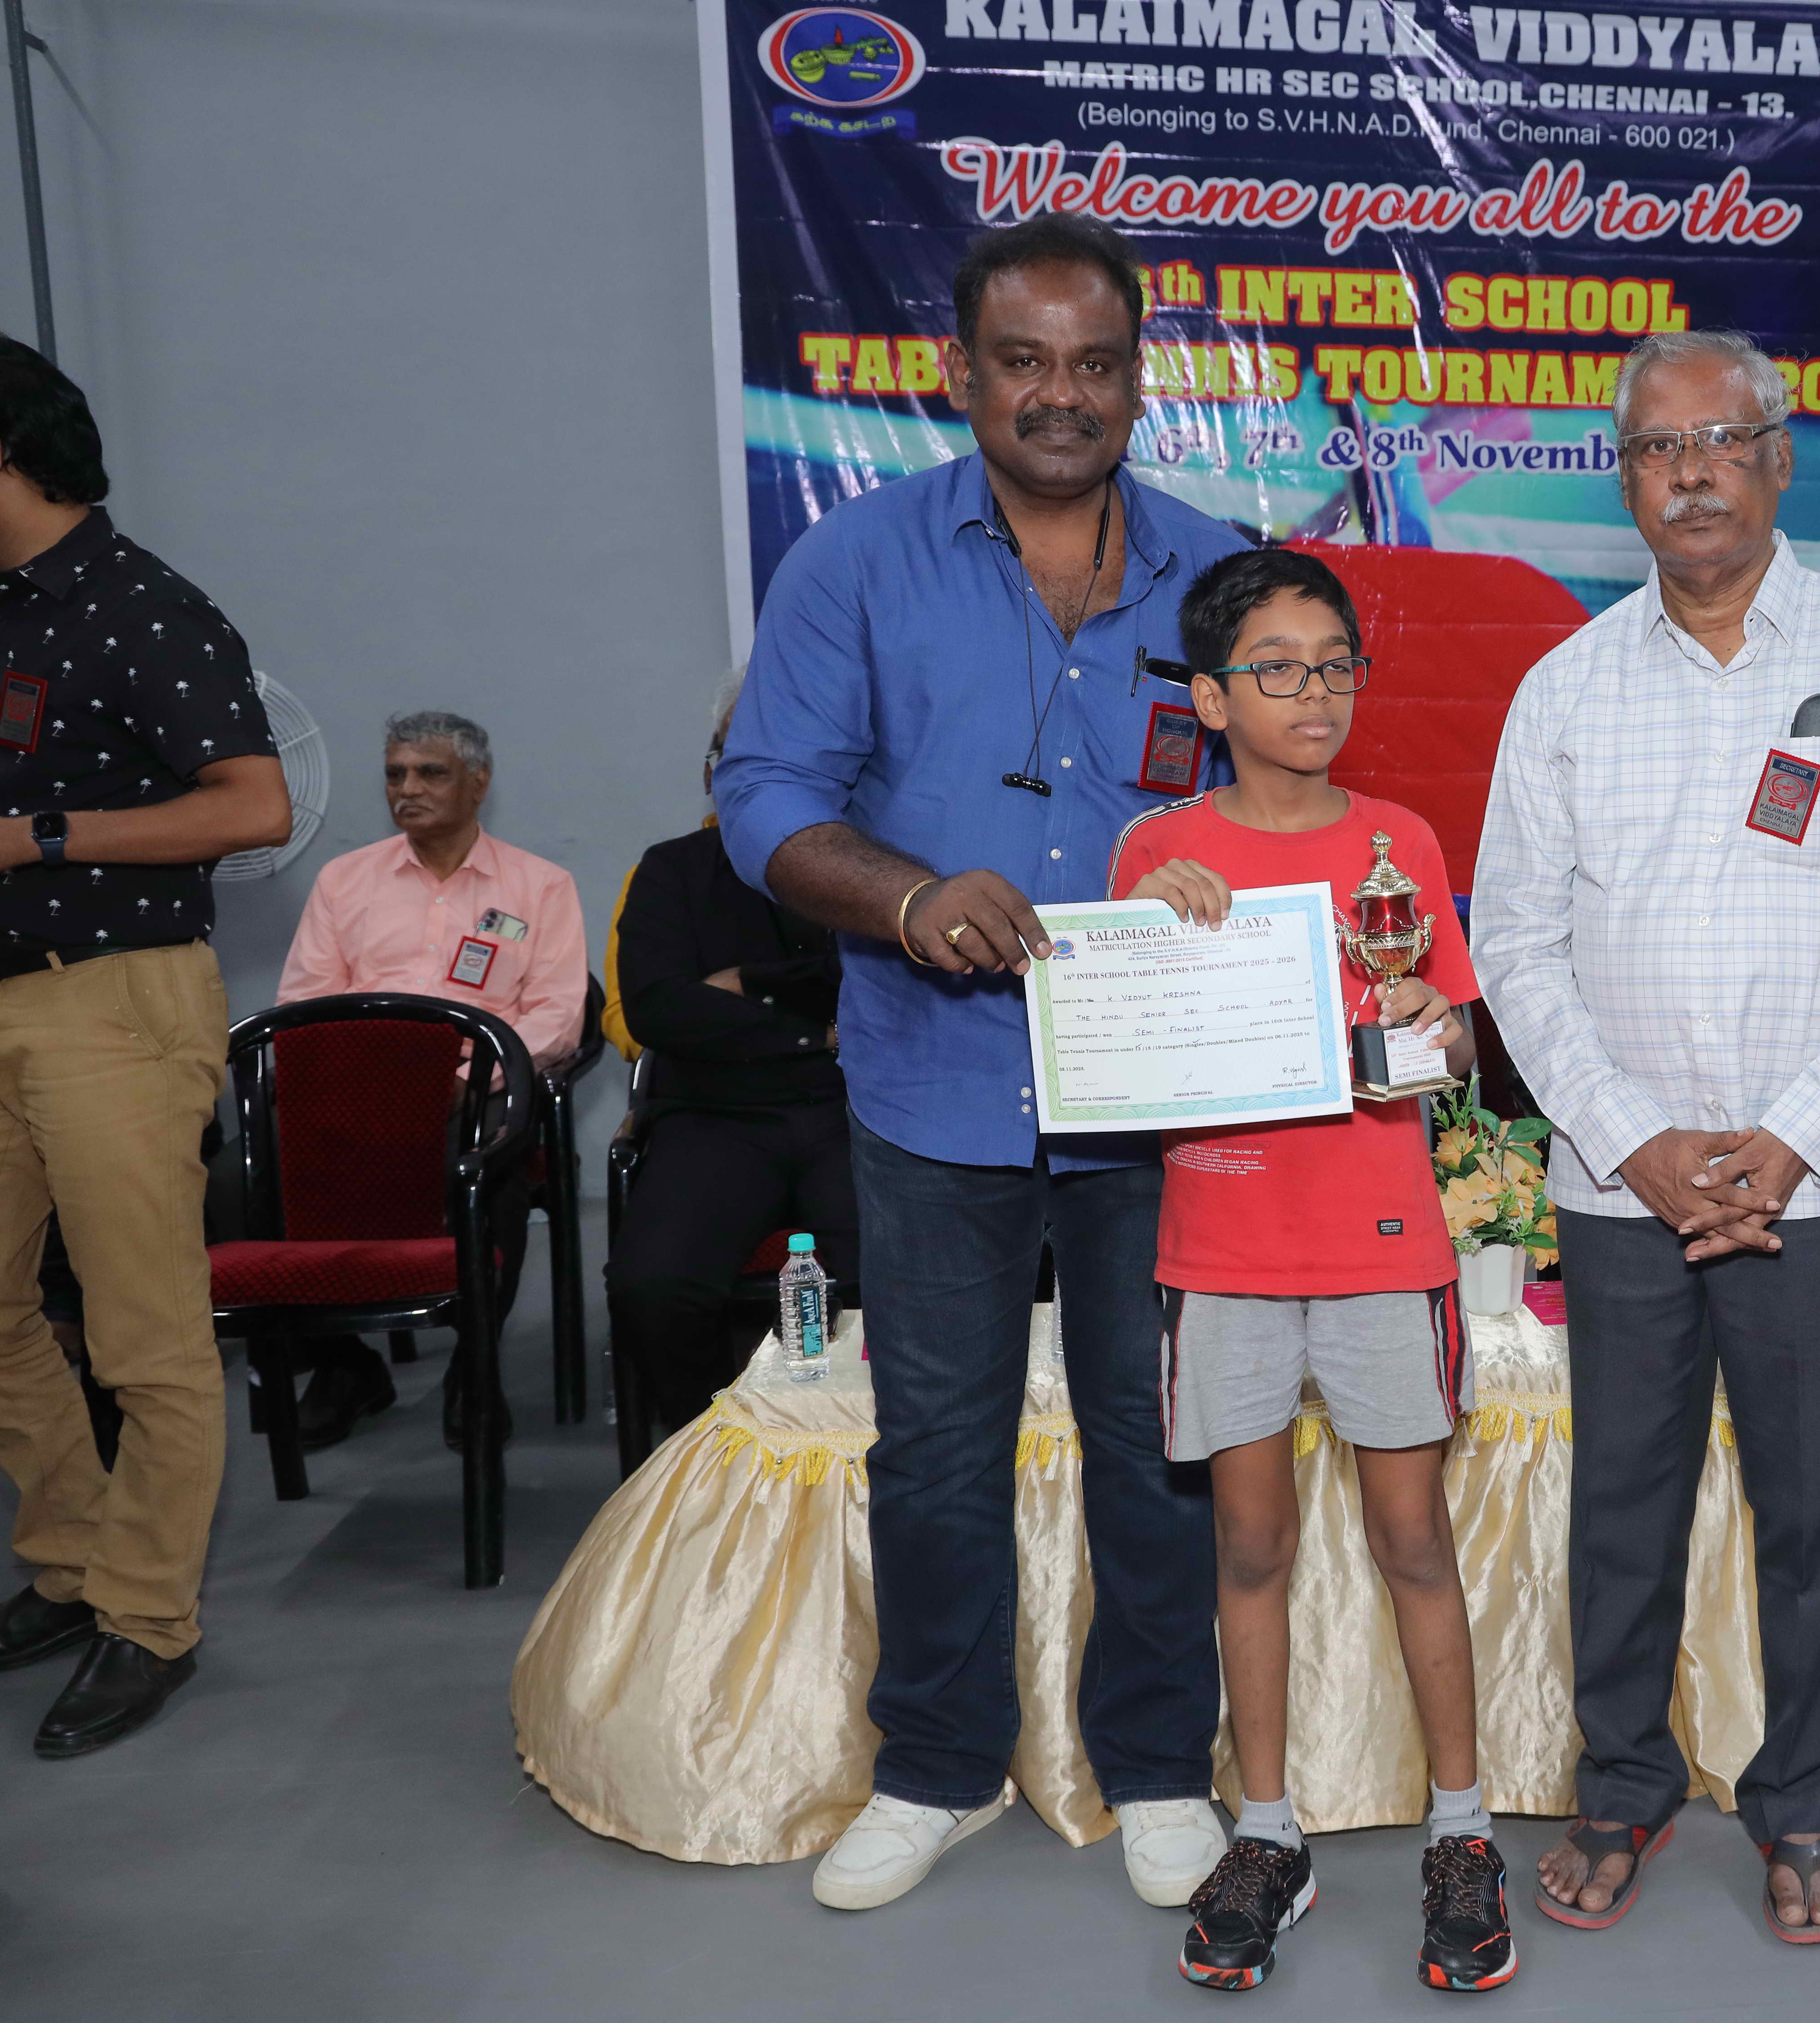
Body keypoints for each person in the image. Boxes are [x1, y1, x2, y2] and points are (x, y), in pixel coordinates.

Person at [714, 214, 1250, 1914]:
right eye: (1024, 361)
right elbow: (765, 794)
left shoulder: (1219, 572)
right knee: (937, 1443)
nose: (1060, 394)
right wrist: (908, 897)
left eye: (1096, 363)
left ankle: (1156, 1765)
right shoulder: (854, 563)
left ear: (1139, 380)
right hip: (936, 1084)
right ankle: (937, 1768)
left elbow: (1287, 790)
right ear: (961, 372)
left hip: (1157, 1103)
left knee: (1158, 1439)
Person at [1472, 329, 1820, 1945]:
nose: (1690, 474)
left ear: (1779, 457)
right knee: (1621, 1502)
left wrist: (1796, 1139)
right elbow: (1512, 939)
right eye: (1656, 449)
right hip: (1625, 1182)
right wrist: (1638, 1143)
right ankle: (1623, 1785)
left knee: (1811, 1508)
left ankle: (1799, 1802)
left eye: (1720, 441)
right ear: (1623, 479)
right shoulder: (1566, 684)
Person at [1111, 549, 1512, 1993]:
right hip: (1222, 1249)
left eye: (1336, 664)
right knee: (1251, 1547)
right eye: (1276, 669)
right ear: (1212, 698)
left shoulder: (1399, 840)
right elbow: (1126, 1046)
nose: (1315, 693)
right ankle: (1269, 1832)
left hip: (1380, 1246)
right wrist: (1156, 936)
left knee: (1414, 1538)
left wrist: (1435, 1025)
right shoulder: (1158, 855)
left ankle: (1462, 1831)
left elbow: (1452, 1040)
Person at [0, 331, 291, 1757]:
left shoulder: (143, 608)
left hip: (113, 1000)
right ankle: (75, 1562)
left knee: (141, 1334)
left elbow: (254, 808)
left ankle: (149, 1617)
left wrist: (31, 839)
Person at [274, 709, 585, 1450]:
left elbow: (557, 1014)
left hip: (477, 1092)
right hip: (360, 1090)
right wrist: (363, 1085)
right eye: (395, 774)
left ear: (478, 783)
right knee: (240, 1181)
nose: (406, 789)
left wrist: (471, 1079)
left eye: (429, 773)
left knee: (489, 1174)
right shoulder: (345, 880)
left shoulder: (539, 886)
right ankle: (344, 1365)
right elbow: (303, 1005)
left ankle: (473, 1369)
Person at [604, 683, 854, 1442]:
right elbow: (658, 1009)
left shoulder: (867, 868)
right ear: (713, 772)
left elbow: (876, 987)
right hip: (715, 1117)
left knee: (906, 1277)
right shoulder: (672, 869)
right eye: (737, 753)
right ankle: (714, 1450)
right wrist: (816, 1028)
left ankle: (863, 1449)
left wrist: (746, 983)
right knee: (653, 1286)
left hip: (853, 1114)